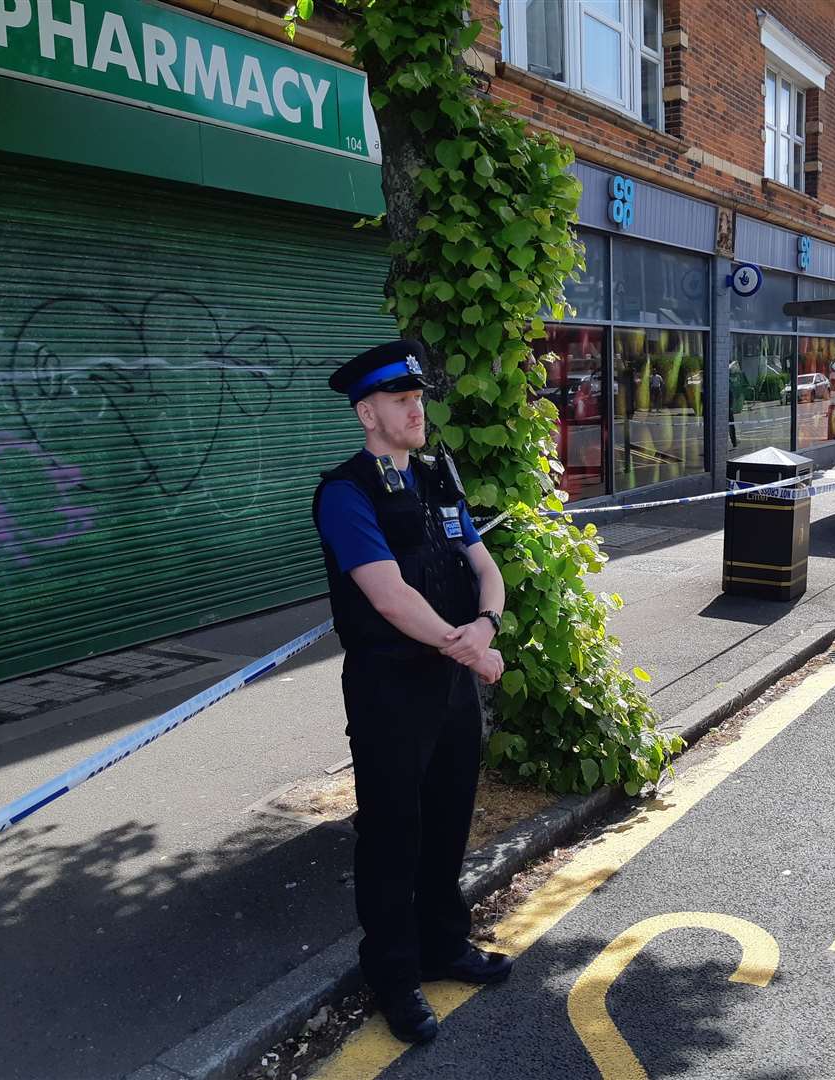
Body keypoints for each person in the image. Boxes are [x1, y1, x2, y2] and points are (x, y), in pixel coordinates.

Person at [313, 339, 512, 1044]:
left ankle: (443, 944)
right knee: (393, 835)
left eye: (419, 399)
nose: (417, 410)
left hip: (452, 683)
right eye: (403, 401)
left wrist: (484, 626)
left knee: (449, 819)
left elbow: (483, 565)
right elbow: (389, 596)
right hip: (390, 689)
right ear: (368, 414)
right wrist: (467, 647)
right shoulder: (345, 493)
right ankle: (393, 975)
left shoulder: (435, 477)